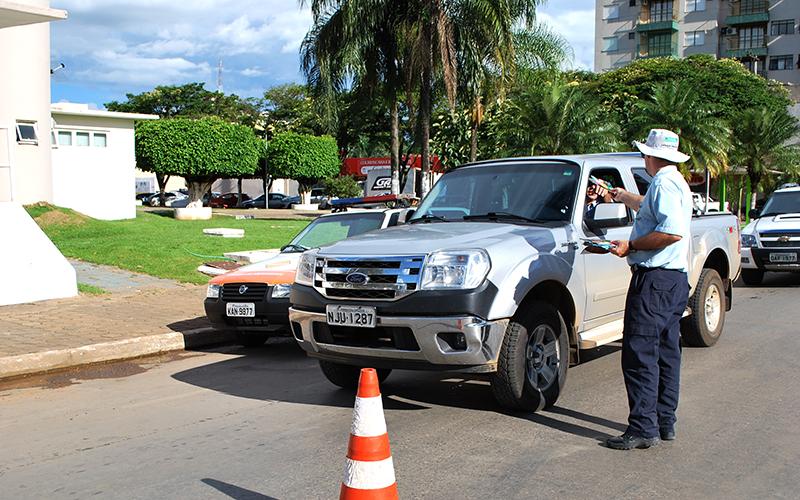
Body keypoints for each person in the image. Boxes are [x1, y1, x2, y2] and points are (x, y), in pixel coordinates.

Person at [604, 129, 693, 450]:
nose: (644, 159)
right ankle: (664, 421)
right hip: (672, 281)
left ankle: (643, 428)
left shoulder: (664, 184)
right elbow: (654, 208)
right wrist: (622, 197)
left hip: (655, 280)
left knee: (640, 352)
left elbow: (670, 232)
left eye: (644, 154)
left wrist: (631, 245)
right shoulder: (672, 182)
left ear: (651, 156)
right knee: (667, 352)